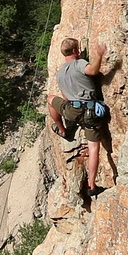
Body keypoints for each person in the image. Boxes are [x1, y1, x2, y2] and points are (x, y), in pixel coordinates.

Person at [48, 37, 107, 197]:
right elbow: (93, 71)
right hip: (89, 112)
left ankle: (62, 130)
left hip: (71, 111)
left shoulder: (60, 73)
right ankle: (92, 186)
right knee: (94, 147)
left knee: (50, 99)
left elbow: (65, 98)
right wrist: (99, 55)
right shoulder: (79, 63)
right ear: (75, 51)